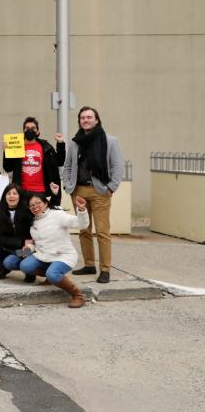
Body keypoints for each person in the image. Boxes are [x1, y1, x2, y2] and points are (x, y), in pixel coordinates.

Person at [61, 106, 124, 284]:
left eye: (89, 117)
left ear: (97, 120)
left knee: (102, 231)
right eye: (82, 117)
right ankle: (89, 264)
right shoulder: (75, 142)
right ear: (79, 121)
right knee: (84, 229)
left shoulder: (110, 141)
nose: (86, 120)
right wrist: (68, 184)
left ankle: (105, 269)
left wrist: (111, 188)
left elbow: (117, 167)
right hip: (78, 191)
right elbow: (68, 166)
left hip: (100, 191)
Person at [16, 190, 91, 308]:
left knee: (52, 274)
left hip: (63, 255)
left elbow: (81, 225)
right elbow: (39, 244)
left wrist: (81, 210)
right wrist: (27, 248)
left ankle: (78, 296)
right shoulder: (34, 221)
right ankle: (51, 277)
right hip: (44, 255)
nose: (35, 207)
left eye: (38, 203)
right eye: (32, 205)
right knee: (24, 265)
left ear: (45, 203)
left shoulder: (58, 215)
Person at [3, 116, 65, 203]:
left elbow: (60, 162)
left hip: (40, 192)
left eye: (33, 128)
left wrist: (60, 143)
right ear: (23, 131)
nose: (30, 130)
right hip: (21, 191)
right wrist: (6, 152)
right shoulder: (16, 146)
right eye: (27, 128)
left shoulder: (46, 147)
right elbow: (7, 167)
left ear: (38, 131)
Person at [0, 183, 36, 280]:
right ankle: (3, 268)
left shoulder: (28, 211)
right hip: (6, 248)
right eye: (8, 193)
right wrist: (20, 241)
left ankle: (29, 271)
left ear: (20, 196)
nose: (11, 196)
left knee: (10, 262)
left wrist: (27, 244)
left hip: (25, 249)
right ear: (4, 196)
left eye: (15, 193)